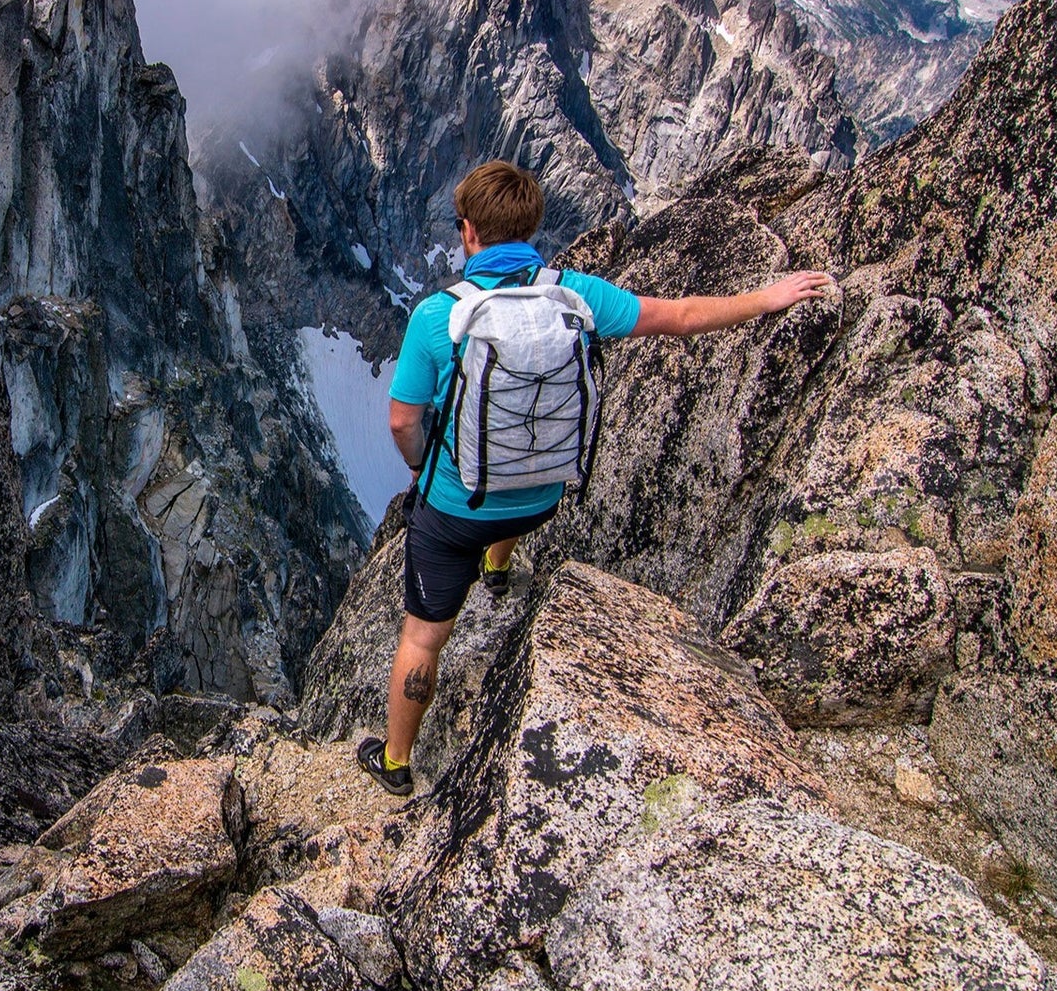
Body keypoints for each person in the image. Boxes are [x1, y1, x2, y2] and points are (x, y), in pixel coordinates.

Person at [356, 161, 836, 795]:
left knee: (422, 636)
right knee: (515, 478)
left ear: (467, 231)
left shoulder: (436, 319)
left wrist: (423, 470)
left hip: (454, 512)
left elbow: (400, 422)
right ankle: (498, 567)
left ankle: (395, 762)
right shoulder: (577, 296)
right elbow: (682, 316)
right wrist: (768, 297)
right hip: (543, 497)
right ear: (534, 227)